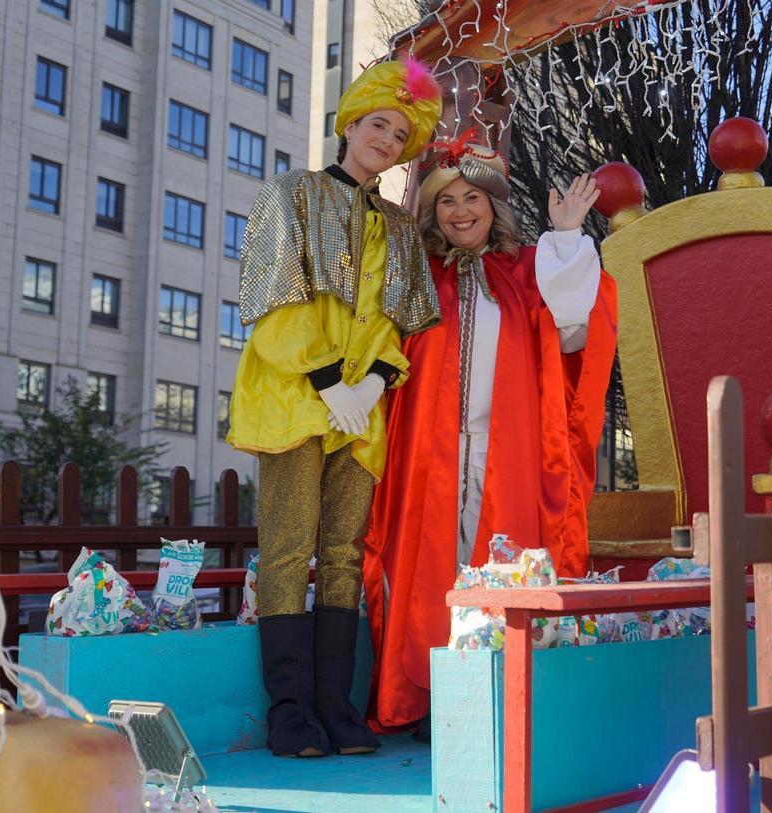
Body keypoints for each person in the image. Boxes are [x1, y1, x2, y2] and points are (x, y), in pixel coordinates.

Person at [364, 132, 618, 735]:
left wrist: (563, 239)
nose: (460, 211)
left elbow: (577, 335)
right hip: (425, 452)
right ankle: (428, 695)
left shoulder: (527, 272)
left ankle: (495, 692)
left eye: (471, 197)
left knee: (496, 563)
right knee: (427, 569)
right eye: (446, 201)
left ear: (493, 206)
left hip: (506, 451)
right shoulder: (414, 276)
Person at [226, 58, 442, 758]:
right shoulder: (288, 194)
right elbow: (271, 299)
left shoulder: (401, 230)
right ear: (351, 123)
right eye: (379, 122)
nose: (386, 137)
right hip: (295, 400)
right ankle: (290, 709)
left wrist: (371, 387)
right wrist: (329, 384)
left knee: (343, 555)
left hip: (360, 413)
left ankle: (334, 705)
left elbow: (400, 320)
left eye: (401, 133)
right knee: (288, 550)